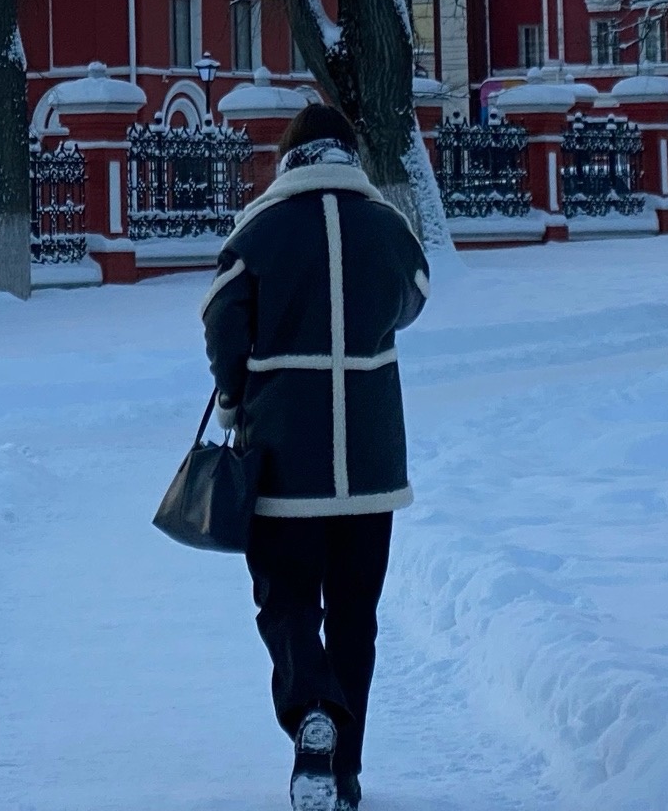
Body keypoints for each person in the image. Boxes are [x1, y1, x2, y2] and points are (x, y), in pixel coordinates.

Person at [204, 101, 430, 811]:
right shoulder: (388, 228)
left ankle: (312, 718)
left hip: (282, 459)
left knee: (288, 599)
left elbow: (221, 320)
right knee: (355, 614)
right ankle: (347, 771)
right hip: (369, 466)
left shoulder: (260, 230)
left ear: (289, 157)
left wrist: (237, 398)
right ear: (349, 155)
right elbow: (413, 300)